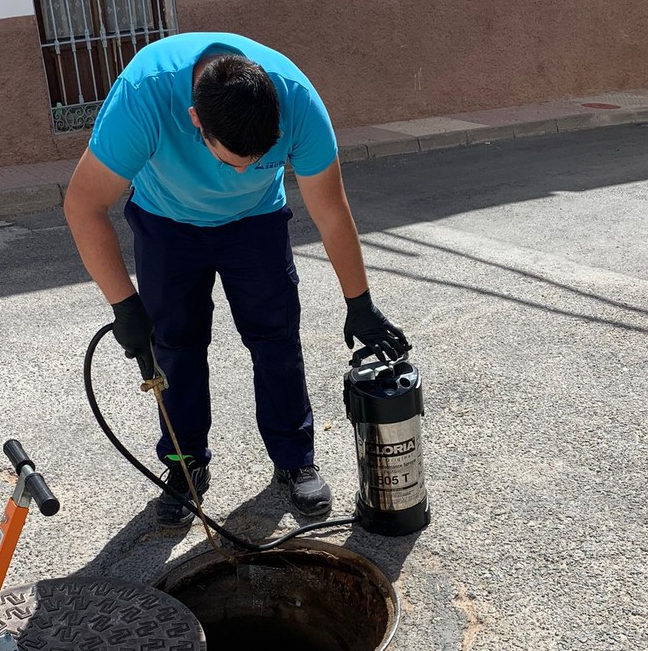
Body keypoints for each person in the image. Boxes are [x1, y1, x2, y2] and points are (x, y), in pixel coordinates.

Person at [63, 32, 409, 528]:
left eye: (257, 162)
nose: (242, 171)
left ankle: (294, 461)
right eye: (230, 161)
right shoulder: (144, 97)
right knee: (174, 348)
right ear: (195, 120)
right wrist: (124, 305)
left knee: (276, 341)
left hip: (256, 224)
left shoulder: (298, 102)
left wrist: (360, 301)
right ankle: (186, 464)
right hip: (168, 223)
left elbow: (331, 211)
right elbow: (83, 205)